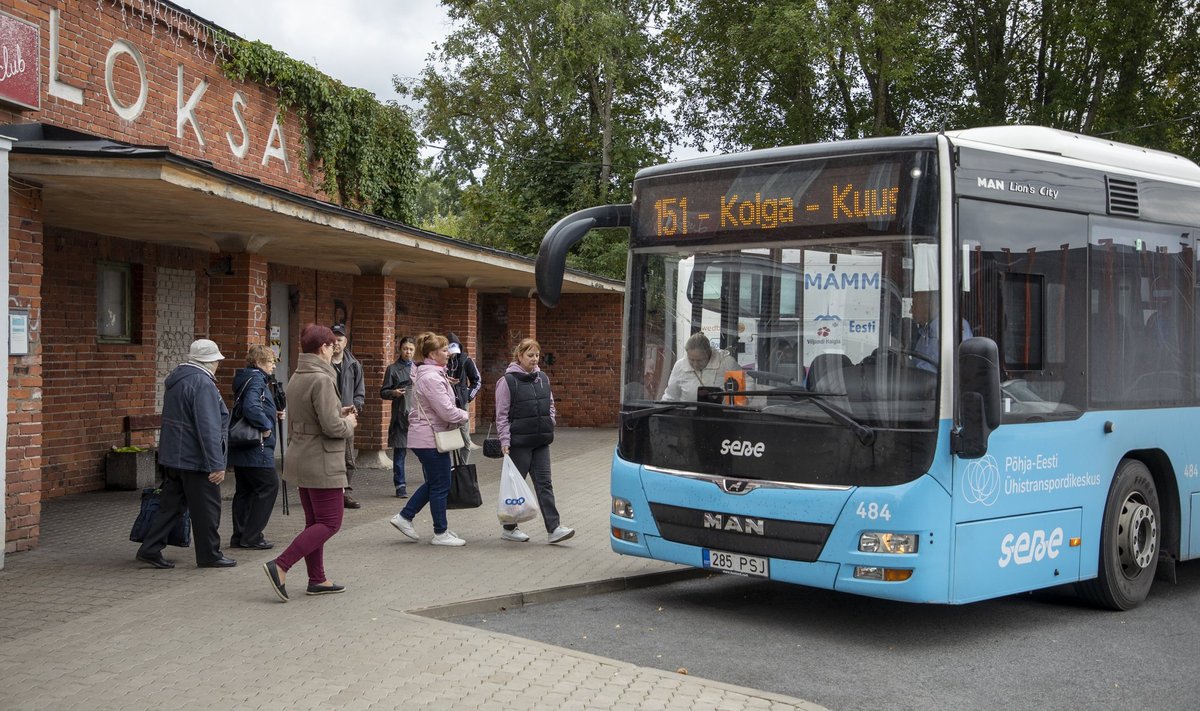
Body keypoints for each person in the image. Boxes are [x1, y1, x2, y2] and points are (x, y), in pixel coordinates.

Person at [263, 324, 357, 602]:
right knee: (330, 522)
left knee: (314, 522)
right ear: (324, 348)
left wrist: (337, 411)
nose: (335, 349)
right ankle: (280, 565)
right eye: (332, 345)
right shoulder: (322, 379)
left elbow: (310, 414)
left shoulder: (298, 375)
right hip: (322, 459)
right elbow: (331, 427)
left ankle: (317, 579)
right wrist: (348, 422)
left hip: (301, 455)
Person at [135, 339, 235, 569]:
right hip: (196, 459)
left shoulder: (178, 379)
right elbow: (208, 427)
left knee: (171, 506)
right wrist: (216, 464)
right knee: (207, 509)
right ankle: (210, 554)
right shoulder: (202, 383)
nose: (218, 365)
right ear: (210, 361)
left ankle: (150, 548)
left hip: (174, 457)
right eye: (217, 361)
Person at [388, 332, 469, 547]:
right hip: (430, 438)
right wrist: (465, 415)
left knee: (436, 482)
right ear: (432, 354)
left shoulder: (432, 374)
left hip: (427, 437)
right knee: (441, 484)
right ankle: (439, 532)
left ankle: (405, 516)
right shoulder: (432, 378)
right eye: (444, 350)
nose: (449, 353)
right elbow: (447, 412)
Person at [495, 338, 575, 545]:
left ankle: (554, 528)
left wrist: (550, 420)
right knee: (516, 486)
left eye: (537, 355)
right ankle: (510, 527)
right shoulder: (507, 382)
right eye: (530, 355)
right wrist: (505, 440)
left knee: (544, 484)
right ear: (519, 356)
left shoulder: (543, 378)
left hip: (540, 441)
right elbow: (501, 414)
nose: (534, 359)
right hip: (518, 443)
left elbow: (550, 404)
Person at [228, 344, 283, 550]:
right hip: (256, 446)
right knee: (269, 486)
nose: (273, 367)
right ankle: (252, 536)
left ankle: (240, 535)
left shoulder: (245, 378)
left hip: (242, 446)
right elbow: (251, 407)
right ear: (259, 362)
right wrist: (266, 424)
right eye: (270, 362)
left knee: (245, 491)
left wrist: (272, 413)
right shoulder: (257, 380)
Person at [330, 323, 365, 508]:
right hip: (327, 417)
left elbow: (360, 391)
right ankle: (330, 493)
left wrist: (355, 406)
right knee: (328, 457)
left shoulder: (354, 365)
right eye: (333, 338)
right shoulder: (322, 363)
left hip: (347, 418)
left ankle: (346, 492)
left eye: (340, 339)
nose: (336, 342)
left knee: (348, 459)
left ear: (346, 341)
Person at [380, 335, 416, 498]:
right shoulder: (393, 369)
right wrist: (393, 392)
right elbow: (383, 392)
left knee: (425, 452)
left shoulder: (419, 368)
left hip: (417, 416)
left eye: (411, 349)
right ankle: (400, 485)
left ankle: (431, 480)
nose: (408, 352)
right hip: (400, 417)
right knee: (400, 453)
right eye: (405, 349)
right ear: (400, 350)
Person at [661, 332, 741, 401]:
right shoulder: (680, 366)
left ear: (709, 354)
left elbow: (746, 388)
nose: (695, 364)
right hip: (688, 415)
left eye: (699, 360)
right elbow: (670, 396)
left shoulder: (727, 363)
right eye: (691, 360)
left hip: (723, 415)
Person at [911, 291, 972, 371]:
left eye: (914, 305)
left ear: (928, 305)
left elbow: (950, 370)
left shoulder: (951, 327)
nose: (910, 310)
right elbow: (918, 363)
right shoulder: (926, 331)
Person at [445, 332, 482, 461]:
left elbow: (476, 380)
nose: (452, 353)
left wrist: (468, 396)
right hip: (445, 403)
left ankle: (462, 467)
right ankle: (449, 468)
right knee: (447, 439)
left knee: (465, 439)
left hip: (461, 403)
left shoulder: (466, 360)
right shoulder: (442, 361)